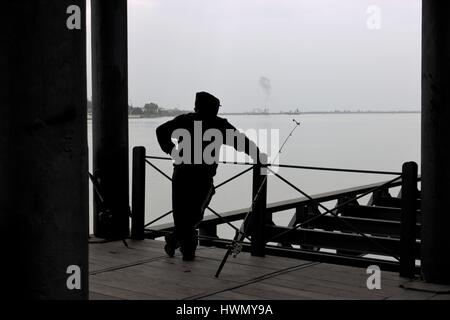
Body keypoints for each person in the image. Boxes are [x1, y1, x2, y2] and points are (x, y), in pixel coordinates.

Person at [156, 91, 265, 261]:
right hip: (202, 177)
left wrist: (171, 150)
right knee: (193, 214)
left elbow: (161, 131)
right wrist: (257, 155)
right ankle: (184, 248)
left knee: (182, 214)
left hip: (181, 175)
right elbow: (240, 141)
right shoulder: (218, 124)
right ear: (213, 109)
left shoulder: (184, 120)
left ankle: (179, 243)